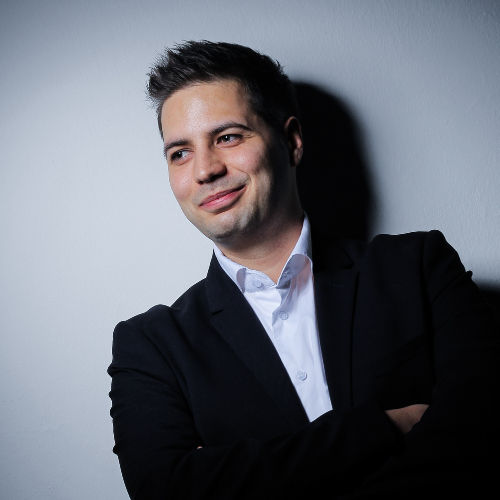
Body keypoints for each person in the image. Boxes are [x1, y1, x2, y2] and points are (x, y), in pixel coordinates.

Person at [108, 41, 500, 500]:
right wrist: (381, 427)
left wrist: (233, 474)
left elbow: (484, 428)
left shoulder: (419, 267)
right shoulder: (151, 346)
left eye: (228, 137)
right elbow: (166, 491)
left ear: (292, 141)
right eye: (180, 152)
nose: (205, 170)